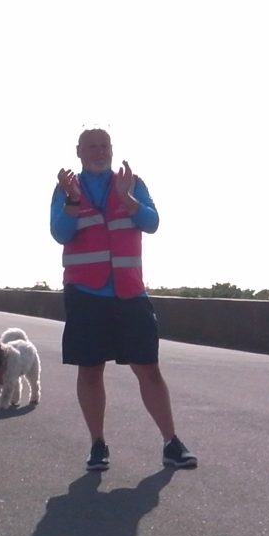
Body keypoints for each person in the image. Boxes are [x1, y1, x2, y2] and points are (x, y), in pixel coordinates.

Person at [50, 127, 197, 472]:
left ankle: (171, 442)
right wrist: (71, 200)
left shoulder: (133, 182)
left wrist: (127, 197)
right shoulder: (66, 188)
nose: (98, 151)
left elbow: (151, 222)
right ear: (79, 151)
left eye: (104, 146)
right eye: (91, 146)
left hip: (129, 291)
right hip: (86, 293)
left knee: (149, 369)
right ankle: (97, 444)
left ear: (112, 150)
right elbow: (60, 233)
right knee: (90, 370)